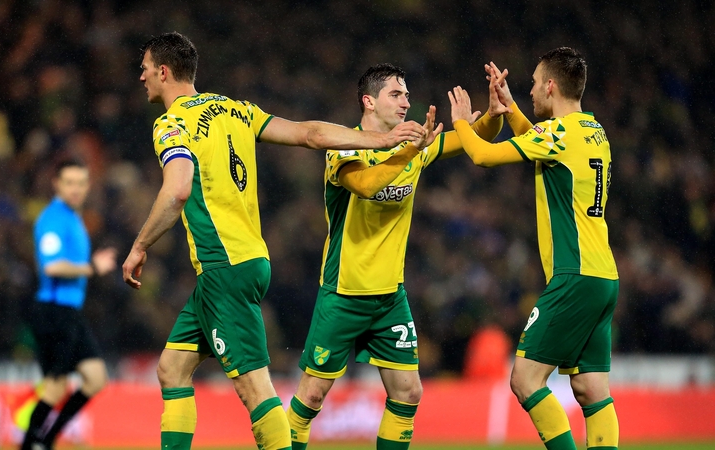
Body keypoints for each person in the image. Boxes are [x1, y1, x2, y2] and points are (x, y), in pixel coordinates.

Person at [120, 32, 431, 450]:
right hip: (249, 261)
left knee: (256, 392)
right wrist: (376, 139)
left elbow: (177, 190)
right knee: (171, 369)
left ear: (163, 71)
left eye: (143, 69)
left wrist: (140, 245)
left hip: (222, 266)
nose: (140, 78)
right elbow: (310, 135)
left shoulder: (171, 124)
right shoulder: (235, 109)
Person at [285, 63, 508, 450]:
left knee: (407, 393)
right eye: (396, 94)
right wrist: (408, 152)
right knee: (312, 397)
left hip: (390, 297)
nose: (406, 101)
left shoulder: (415, 144)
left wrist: (491, 115)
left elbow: (478, 139)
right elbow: (366, 185)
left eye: (407, 94)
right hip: (344, 293)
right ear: (368, 101)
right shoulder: (346, 144)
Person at [448, 47, 619, 450]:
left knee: (524, 380)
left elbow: (483, 156)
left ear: (551, 86)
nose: (528, 91)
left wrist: (461, 124)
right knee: (592, 389)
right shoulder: (592, 130)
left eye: (532, 84)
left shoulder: (557, 134)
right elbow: (542, 141)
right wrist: (508, 111)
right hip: (603, 277)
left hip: (573, 277)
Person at [22, 160, 117, 450]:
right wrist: (92, 268)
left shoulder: (73, 218)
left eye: (81, 183)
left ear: (88, 186)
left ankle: (46, 440)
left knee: (96, 377)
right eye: (69, 182)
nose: (75, 189)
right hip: (53, 311)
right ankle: (31, 444)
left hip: (69, 313)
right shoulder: (52, 219)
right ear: (57, 185)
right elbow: (51, 267)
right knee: (55, 386)